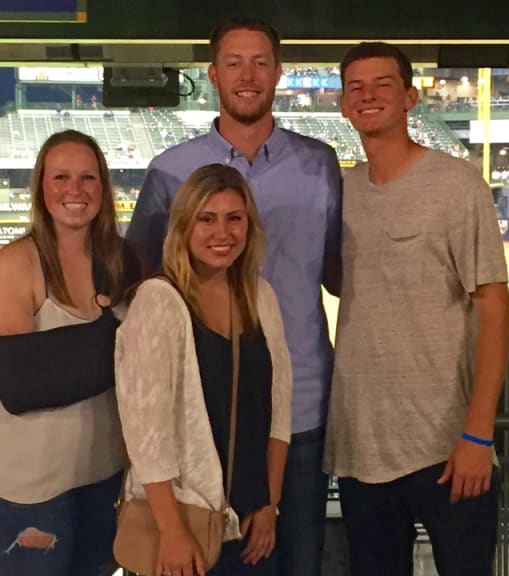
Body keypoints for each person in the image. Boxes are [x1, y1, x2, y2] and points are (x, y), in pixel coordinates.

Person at [126, 17, 341, 576]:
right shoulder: (170, 169)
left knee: (296, 564)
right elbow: (140, 282)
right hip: (205, 417)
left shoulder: (321, 164)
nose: (248, 75)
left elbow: (344, 271)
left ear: (278, 72)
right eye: (234, 63)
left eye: (261, 62)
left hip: (301, 410)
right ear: (213, 74)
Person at [324, 42, 509, 575]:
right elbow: (347, 282)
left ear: (409, 96)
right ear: (342, 104)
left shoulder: (455, 185)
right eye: (355, 87)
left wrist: (478, 435)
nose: (368, 96)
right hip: (362, 447)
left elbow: (495, 310)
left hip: (448, 446)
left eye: (382, 84)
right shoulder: (343, 191)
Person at [0, 130, 142, 576]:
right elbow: (21, 385)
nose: (75, 190)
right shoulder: (17, 263)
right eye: (61, 176)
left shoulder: (123, 260)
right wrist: (118, 345)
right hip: (27, 488)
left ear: (103, 188)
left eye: (88, 178)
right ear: (41, 188)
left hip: (103, 475)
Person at [116, 164, 292, 576]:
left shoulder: (260, 296)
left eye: (235, 218)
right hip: (184, 523)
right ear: (184, 226)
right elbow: (147, 434)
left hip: (250, 522)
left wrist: (270, 504)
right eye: (207, 219)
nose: (222, 233)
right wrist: (172, 532)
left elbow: (279, 411)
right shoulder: (159, 301)